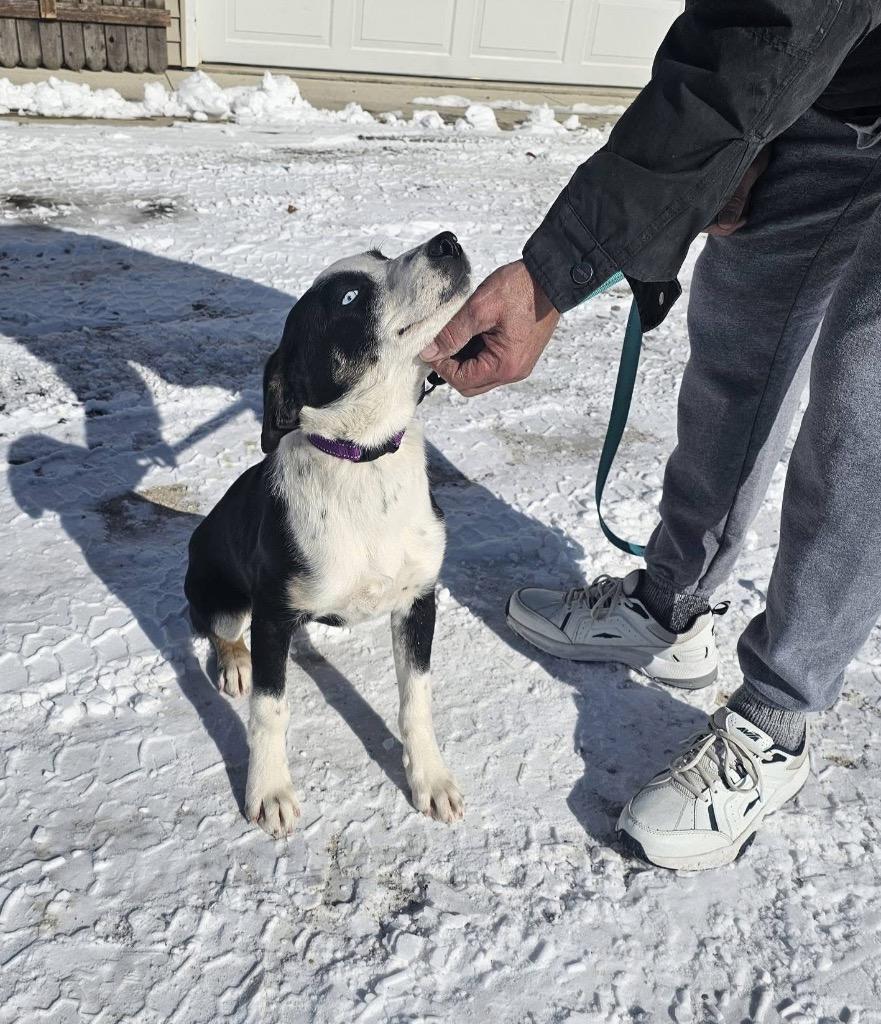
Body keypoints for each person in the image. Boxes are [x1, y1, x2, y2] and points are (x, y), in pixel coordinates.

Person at [421, 1, 881, 870]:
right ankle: (671, 611)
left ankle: (777, 719)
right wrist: (744, 141)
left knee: (864, 402)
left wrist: (554, 272)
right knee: (737, 342)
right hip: (837, 86)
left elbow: (781, 21)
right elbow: (749, 28)